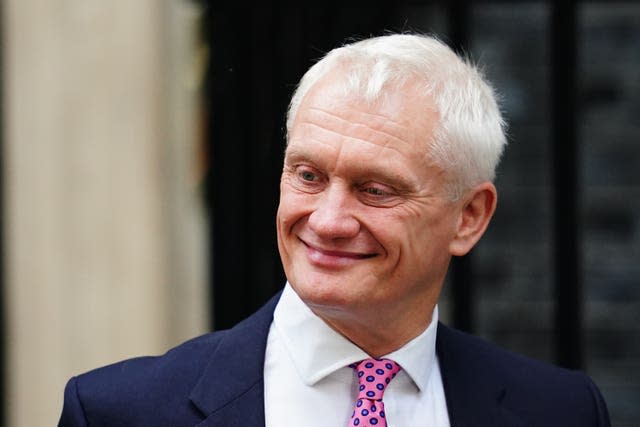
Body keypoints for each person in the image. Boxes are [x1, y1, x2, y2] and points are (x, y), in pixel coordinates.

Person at [58, 33, 610, 427]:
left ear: (468, 218)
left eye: (375, 189)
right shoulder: (119, 411)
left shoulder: (560, 410)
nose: (326, 220)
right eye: (308, 175)